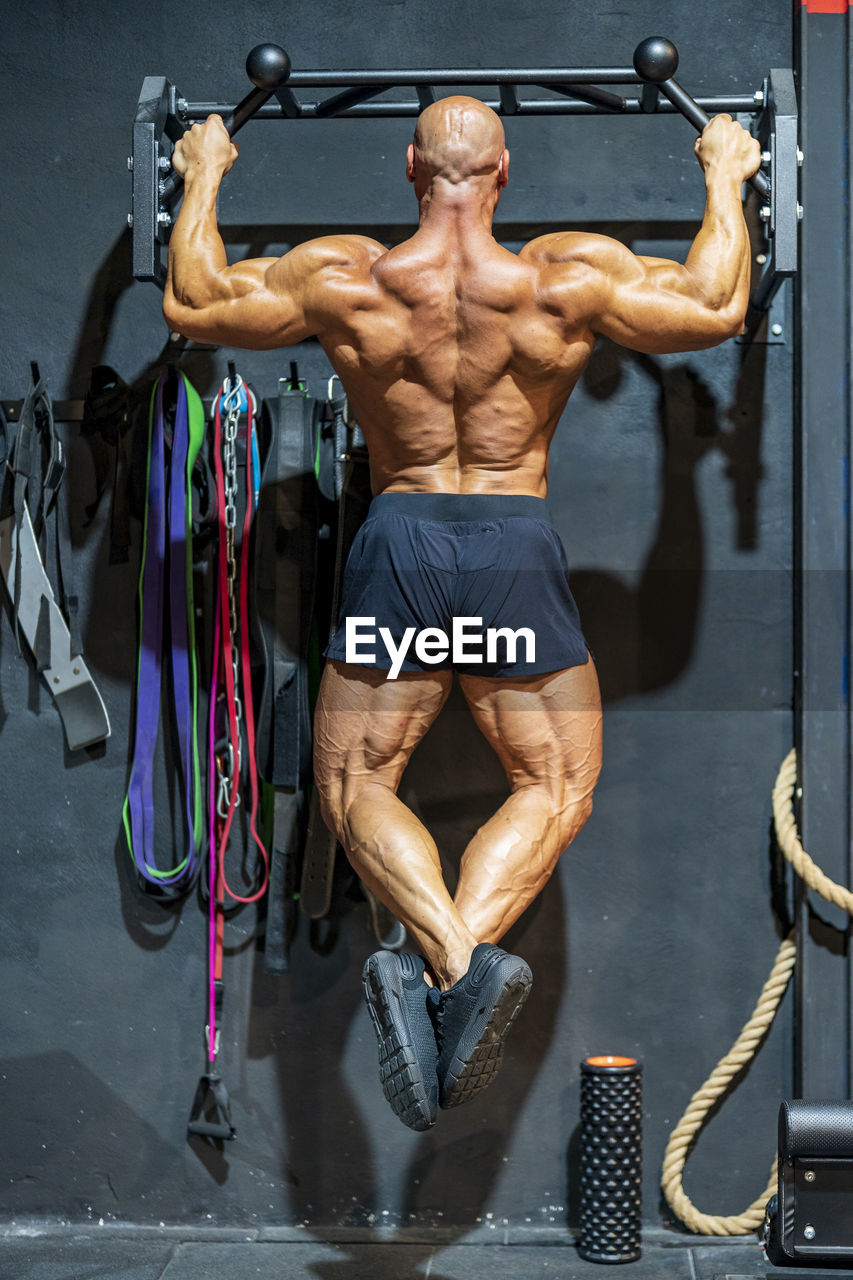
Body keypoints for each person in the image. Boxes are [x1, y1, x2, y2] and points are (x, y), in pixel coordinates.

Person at [164, 95, 761, 1131]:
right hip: (511, 539)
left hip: (397, 539)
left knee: (355, 785)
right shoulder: (559, 278)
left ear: (408, 167)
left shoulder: (345, 276)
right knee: (556, 782)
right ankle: (455, 965)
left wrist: (206, 166)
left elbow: (196, 300)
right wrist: (723, 169)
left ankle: (433, 956)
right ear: (504, 172)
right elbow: (712, 307)